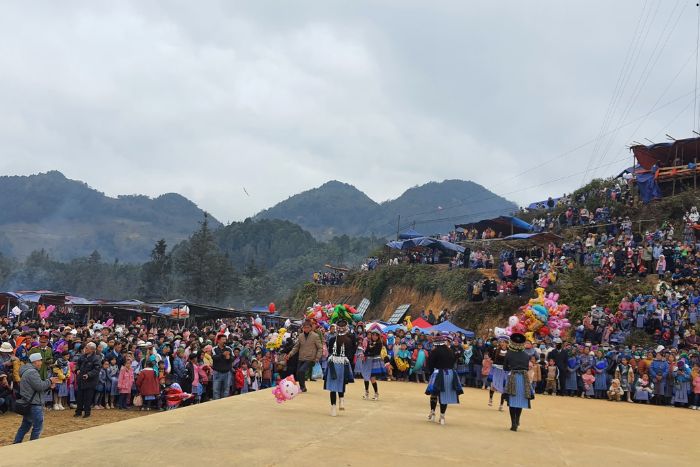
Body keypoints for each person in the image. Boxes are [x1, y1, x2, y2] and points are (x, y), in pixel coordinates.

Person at [13, 353, 59, 443]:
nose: (41, 363)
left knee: (25, 426)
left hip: (29, 402)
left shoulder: (27, 371)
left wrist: (49, 385)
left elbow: (36, 389)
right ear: (35, 361)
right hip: (34, 404)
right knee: (37, 427)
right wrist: (50, 381)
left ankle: (16, 443)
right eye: (40, 361)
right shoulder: (32, 372)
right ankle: (33, 445)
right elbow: (40, 386)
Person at [425, 333, 463, 425]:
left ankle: (433, 412)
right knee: (445, 395)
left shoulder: (435, 351)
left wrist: (431, 372)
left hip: (438, 373)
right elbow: (454, 360)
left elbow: (430, 364)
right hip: (450, 374)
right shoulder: (450, 350)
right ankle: (442, 416)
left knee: (434, 393)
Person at [323, 319, 355, 417]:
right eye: (339, 327)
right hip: (333, 362)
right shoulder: (332, 339)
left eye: (342, 327)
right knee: (332, 385)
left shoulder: (350, 339)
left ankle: (341, 398)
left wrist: (347, 360)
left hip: (344, 363)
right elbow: (330, 350)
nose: (340, 329)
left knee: (341, 382)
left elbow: (352, 351)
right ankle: (333, 406)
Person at [504, 333, 533, 432]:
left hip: (513, 377)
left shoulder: (509, 354)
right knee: (520, 401)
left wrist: (511, 367)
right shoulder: (526, 355)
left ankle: (513, 423)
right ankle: (517, 419)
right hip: (524, 378)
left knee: (512, 400)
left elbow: (505, 367)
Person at [287, 320, 322, 393]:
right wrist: (290, 354)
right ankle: (302, 387)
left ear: (311, 327)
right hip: (301, 357)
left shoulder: (315, 336)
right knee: (298, 373)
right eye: (304, 327)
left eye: (308, 327)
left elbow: (320, 348)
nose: (306, 329)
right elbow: (296, 347)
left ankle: (302, 387)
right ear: (303, 328)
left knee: (302, 371)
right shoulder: (300, 336)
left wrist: (317, 357)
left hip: (310, 358)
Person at [74, 342, 101, 419]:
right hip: (81, 380)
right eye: (85, 348)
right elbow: (78, 364)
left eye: (87, 348)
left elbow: (97, 369)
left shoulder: (96, 358)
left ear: (92, 350)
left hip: (90, 381)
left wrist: (88, 374)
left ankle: (87, 412)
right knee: (79, 397)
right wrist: (77, 370)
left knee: (87, 398)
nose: (85, 349)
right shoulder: (82, 357)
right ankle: (78, 411)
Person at [360, 324, 385, 400]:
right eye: (372, 335)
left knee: (372, 378)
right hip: (368, 361)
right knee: (365, 377)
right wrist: (363, 354)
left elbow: (375, 352)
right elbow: (367, 350)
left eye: (375, 335)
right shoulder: (370, 342)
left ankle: (376, 393)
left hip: (375, 362)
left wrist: (366, 354)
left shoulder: (379, 343)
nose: (374, 336)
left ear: (378, 336)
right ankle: (366, 393)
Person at [488, 338, 508, 411]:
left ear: (507, 343)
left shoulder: (509, 352)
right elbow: (492, 359)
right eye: (501, 342)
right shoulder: (496, 350)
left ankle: (501, 405)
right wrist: (491, 361)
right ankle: (490, 398)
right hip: (496, 369)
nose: (502, 343)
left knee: (504, 387)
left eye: (503, 342)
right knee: (493, 385)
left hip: (504, 371)